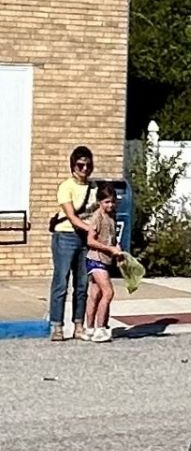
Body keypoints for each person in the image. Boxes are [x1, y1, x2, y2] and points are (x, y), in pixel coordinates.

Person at [48, 146, 96, 342]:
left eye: (88, 165)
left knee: (82, 284)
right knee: (61, 282)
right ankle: (57, 326)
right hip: (65, 236)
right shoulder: (66, 186)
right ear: (73, 166)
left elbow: (97, 213)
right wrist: (89, 229)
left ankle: (78, 325)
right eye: (80, 165)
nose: (84, 169)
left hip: (85, 239)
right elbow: (71, 216)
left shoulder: (93, 188)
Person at [83, 184, 126, 343]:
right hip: (96, 259)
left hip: (106, 259)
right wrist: (109, 248)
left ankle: (89, 329)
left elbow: (112, 238)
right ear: (100, 201)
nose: (110, 205)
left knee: (95, 294)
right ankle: (100, 329)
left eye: (113, 202)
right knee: (108, 292)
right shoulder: (97, 217)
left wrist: (117, 249)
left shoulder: (111, 216)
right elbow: (90, 240)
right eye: (107, 202)